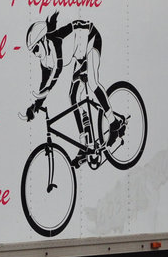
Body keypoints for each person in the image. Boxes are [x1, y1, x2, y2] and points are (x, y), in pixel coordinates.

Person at [21, 11, 124, 152]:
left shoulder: (55, 41)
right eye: (33, 52)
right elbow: (43, 85)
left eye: (36, 49)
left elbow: (57, 71)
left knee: (93, 82)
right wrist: (35, 107)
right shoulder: (44, 61)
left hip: (91, 38)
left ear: (43, 40)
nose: (36, 54)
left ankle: (114, 123)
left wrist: (44, 93)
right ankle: (85, 144)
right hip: (80, 56)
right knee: (73, 97)